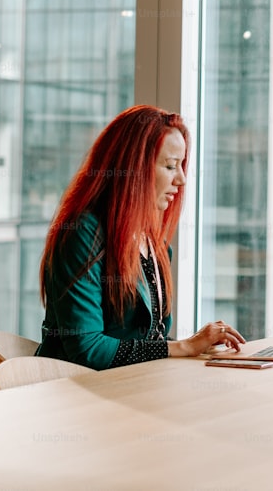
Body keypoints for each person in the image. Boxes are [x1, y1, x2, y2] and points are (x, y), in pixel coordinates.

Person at [36, 105, 245, 369]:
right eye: (170, 166)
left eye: (181, 166)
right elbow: (87, 348)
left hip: (134, 386)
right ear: (133, 169)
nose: (181, 179)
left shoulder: (152, 242)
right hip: (83, 397)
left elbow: (149, 339)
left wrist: (196, 347)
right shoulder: (83, 232)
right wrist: (184, 347)